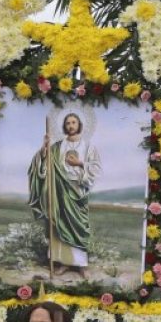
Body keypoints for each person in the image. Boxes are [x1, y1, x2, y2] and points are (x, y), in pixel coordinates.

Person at [28, 111, 102, 277]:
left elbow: (96, 169)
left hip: (77, 191)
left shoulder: (88, 147)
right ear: (64, 126)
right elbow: (42, 164)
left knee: (78, 227)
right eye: (68, 123)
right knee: (59, 226)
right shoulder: (57, 147)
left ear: (79, 125)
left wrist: (80, 163)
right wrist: (44, 147)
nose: (70, 126)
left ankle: (81, 265)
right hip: (59, 191)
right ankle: (63, 263)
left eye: (73, 122)